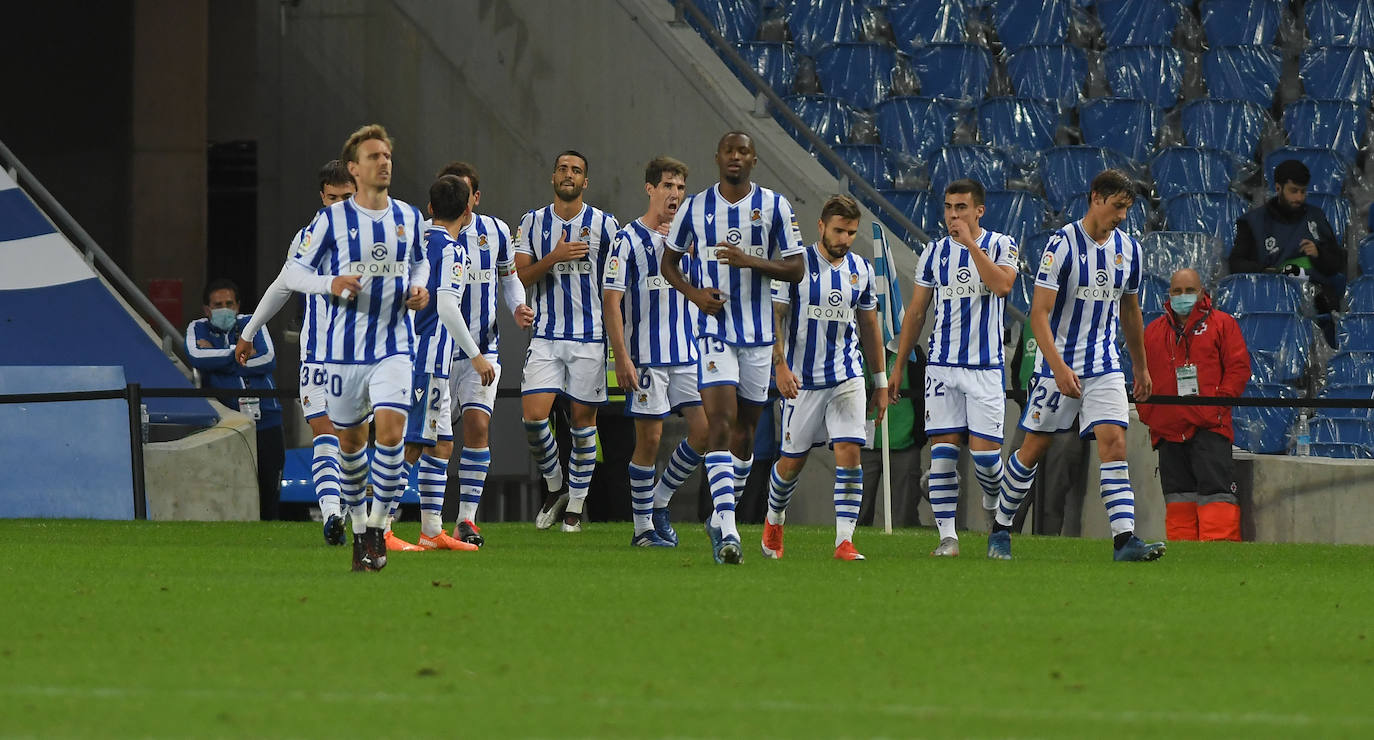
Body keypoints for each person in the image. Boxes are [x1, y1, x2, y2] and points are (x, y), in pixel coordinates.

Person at [245, 123, 429, 572]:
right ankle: (356, 523)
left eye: (387, 155)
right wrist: (331, 283)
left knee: (391, 434)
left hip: (394, 346)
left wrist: (419, 289)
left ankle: (378, 527)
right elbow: (290, 278)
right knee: (349, 442)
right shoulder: (328, 223)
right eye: (373, 157)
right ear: (355, 168)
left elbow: (420, 261)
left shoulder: (407, 217)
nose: (383, 162)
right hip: (339, 354)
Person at [989, 169, 1166, 562]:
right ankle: (1000, 530)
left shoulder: (1129, 250)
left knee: (1115, 443)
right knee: (1032, 449)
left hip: (1104, 365)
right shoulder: (1062, 246)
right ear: (1096, 198)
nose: (1122, 215)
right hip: (1059, 364)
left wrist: (1140, 368)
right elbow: (1038, 314)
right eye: (1117, 206)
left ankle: (1124, 541)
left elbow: (1130, 311)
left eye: (1128, 208)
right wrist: (1056, 367)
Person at [662, 131, 806, 565]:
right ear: (718, 157)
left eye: (744, 151)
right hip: (714, 332)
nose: (736, 157)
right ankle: (727, 524)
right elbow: (669, 263)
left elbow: (797, 268)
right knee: (720, 422)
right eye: (729, 150)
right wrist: (693, 295)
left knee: (746, 434)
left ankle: (720, 518)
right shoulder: (695, 206)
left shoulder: (776, 206)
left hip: (760, 336)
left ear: (754, 159)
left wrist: (751, 261)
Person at [889, 179, 1017, 557]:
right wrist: (900, 365)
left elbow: (1002, 286)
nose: (953, 215)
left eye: (961, 207)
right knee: (942, 456)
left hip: (984, 369)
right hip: (943, 368)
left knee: (986, 461)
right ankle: (948, 538)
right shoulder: (933, 253)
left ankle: (994, 509)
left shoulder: (1001, 244)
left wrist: (971, 246)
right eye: (948, 207)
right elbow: (916, 312)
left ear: (979, 210)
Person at [764, 194, 889, 561]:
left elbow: (869, 324)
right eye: (838, 231)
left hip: (846, 377)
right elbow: (776, 317)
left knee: (850, 454)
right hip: (801, 381)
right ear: (821, 226)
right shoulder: (796, 264)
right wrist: (780, 366)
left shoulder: (862, 270)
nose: (844, 239)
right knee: (790, 465)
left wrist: (879, 382)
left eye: (851, 232)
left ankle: (844, 542)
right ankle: (774, 521)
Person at [237, 159, 354, 545]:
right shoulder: (307, 238)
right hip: (318, 354)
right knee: (325, 431)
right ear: (322, 196)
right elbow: (283, 285)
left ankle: (357, 512)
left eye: (347, 197)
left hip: (361, 356)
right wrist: (250, 330)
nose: (339, 205)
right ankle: (333, 515)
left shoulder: (376, 236)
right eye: (332, 197)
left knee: (355, 440)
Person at [387, 175, 497, 553]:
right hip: (428, 359)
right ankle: (380, 526)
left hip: (411, 353)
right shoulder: (453, 251)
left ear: (430, 208)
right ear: (468, 211)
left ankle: (431, 530)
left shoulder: (412, 243)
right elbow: (448, 307)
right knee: (413, 445)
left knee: (442, 444)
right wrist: (476, 355)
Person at [603, 156, 708, 548]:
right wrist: (622, 358)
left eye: (680, 188)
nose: (675, 194)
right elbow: (611, 301)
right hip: (645, 356)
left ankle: (659, 502)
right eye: (667, 186)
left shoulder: (690, 242)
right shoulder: (627, 239)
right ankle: (642, 529)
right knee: (649, 441)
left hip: (686, 353)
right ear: (650, 189)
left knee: (705, 431)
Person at [515, 151, 619, 533]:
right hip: (545, 335)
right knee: (533, 418)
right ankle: (557, 486)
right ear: (553, 177)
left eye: (576, 170)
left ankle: (575, 506)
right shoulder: (531, 222)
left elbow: (616, 285)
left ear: (585, 182)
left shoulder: (606, 226)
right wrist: (554, 257)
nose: (568, 175)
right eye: (562, 168)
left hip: (590, 338)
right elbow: (520, 278)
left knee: (581, 424)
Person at [436, 161, 535, 547]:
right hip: (439, 350)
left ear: (475, 197)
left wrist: (518, 308)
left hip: (484, 349)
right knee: (425, 440)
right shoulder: (430, 236)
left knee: (478, 428)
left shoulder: (495, 231)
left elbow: (509, 280)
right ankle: (389, 512)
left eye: (466, 192)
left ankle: (465, 520)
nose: (461, 200)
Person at [1137, 268, 1250, 542]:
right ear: (1169, 295)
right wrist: (1151, 415)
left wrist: (1216, 408)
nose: (1183, 296)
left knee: (1217, 498)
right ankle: (1182, 562)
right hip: (1168, 431)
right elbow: (1142, 376)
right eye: (1177, 291)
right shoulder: (1153, 332)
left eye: (1189, 290)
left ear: (1201, 293)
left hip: (1210, 429)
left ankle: (1219, 560)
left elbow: (1238, 368)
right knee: (1178, 501)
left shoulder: (1223, 324)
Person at [189, 278, 286, 521]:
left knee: (268, 487)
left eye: (229, 303)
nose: (224, 308)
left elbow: (268, 360)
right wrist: (242, 356)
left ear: (238, 305)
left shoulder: (253, 324)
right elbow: (197, 356)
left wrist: (219, 361)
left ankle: (270, 538)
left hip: (267, 419)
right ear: (207, 309)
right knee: (226, 485)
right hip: (225, 423)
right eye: (217, 304)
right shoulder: (197, 328)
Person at [1230, 160, 1346, 313]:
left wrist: (1319, 254)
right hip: (1271, 294)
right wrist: (1266, 271)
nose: (1299, 197)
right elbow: (1236, 263)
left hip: (1317, 297)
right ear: (1278, 188)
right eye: (1293, 191)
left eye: (1303, 191)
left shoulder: (1316, 217)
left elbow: (1338, 262)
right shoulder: (1253, 222)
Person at [859, 349, 927, 528]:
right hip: (862, 446)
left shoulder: (912, 355)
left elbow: (923, 396)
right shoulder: (855, 351)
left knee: (904, 519)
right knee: (856, 515)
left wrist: (918, 437)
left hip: (905, 445)